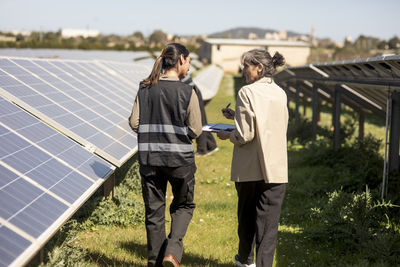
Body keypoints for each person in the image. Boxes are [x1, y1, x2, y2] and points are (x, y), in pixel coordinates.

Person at [129, 43, 202, 267]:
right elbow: (196, 130)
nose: (189, 67)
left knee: (154, 213)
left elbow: (134, 123)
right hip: (180, 161)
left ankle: (155, 262)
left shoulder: (145, 88)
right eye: (188, 62)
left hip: (150, 160)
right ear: (181, 59)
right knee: (183, 206)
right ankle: (172, 251)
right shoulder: (187, 91)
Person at [217, 49, 288, 267]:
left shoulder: (246, 92)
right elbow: (269, 123)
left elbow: (245, 134)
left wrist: (227, 134)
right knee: (268, 227)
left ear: (259, 67)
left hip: (249, 169)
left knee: (246, 219)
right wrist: (237, 115)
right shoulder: (280, 93)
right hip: (276, 169)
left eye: (245, 65)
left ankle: (245, 261)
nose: (242, 69)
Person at [181, 74, 218, 156]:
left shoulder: (175, 66)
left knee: (198, 121)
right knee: (201, 120)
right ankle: (211, 145)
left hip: (191, 92)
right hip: (192, 91)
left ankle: (202, 149)